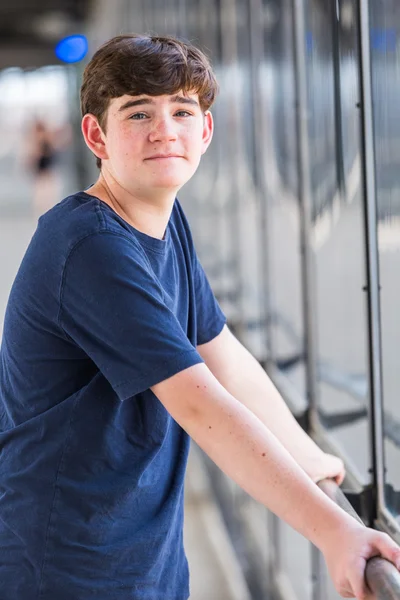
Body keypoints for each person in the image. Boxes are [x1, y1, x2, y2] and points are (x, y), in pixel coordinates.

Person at [0, 34, 398, 600]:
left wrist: (312, 462)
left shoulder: (163, 217)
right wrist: (334, 531)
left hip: (141, 553)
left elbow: (224, 356)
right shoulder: (89, 244)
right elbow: (200, 403)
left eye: (182, 112)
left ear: (205, 132)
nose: (165, 130)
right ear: (97, 135)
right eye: (139, 113)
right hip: (65, 563)